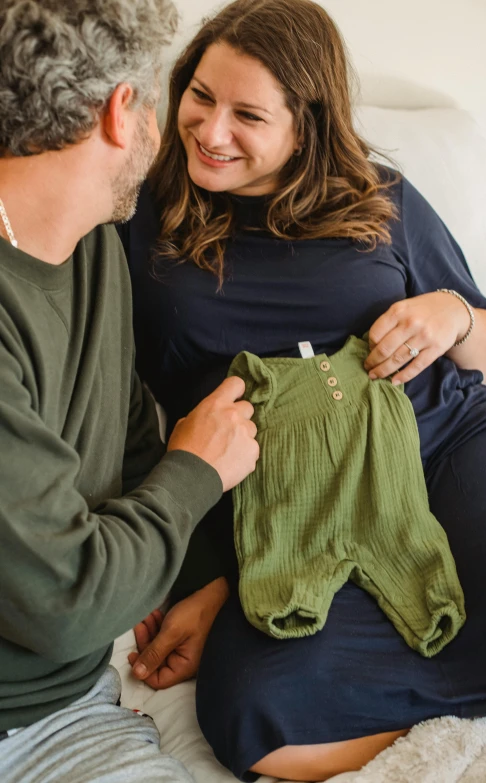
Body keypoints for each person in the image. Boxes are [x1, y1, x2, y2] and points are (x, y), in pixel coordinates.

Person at [118, 0, 486, 780]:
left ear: (305, 124)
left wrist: (454, 313)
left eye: (247, 115)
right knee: (246, 707)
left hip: (446, 447)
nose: (209, 130)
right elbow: (138, 410)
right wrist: (209, 578)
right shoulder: (144, 215)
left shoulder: (382, 195)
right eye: (200, 96)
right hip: (292, 505)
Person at [0, 2, 260, 783]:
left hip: (69, 705)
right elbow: (69, 599)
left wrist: (202, 576)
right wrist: (200, 473)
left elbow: (129, 432)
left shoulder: (90, 244)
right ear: (122, 110)